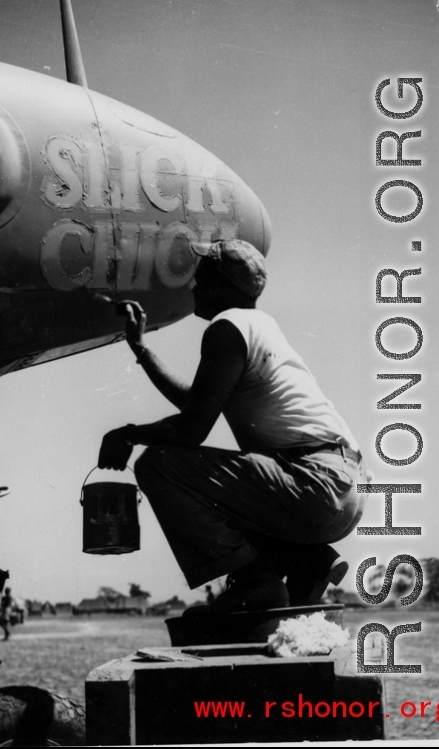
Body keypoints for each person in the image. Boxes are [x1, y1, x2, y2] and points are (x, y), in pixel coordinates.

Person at [98, 239, 367, 613]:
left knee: (157, 465)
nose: (194, 284)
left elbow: (192, 429)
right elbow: (198, 401)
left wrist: (128, 434)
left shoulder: (228, 327)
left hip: (313, 483)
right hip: (340, 486)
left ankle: (257, 584)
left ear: (222, 284)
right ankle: (306, 561)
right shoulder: (257, 324)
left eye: (202, 275)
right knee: (216, 482)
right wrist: (140, 348)